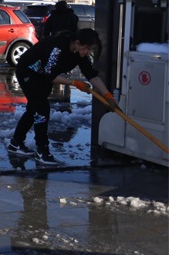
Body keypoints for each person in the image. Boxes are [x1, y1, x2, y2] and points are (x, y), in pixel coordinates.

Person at [7, 28, 118, 165]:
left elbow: (91, 75)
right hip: (28, 72)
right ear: (77, 43)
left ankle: (15, 143)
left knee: (33, 109)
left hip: (43, 77)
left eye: (90, 50)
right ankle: (42, 151)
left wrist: (107, 95)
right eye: (86, 48)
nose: (87, 52)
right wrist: (74, 83)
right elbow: (51, 75)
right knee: (41, 110)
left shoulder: (79, 54)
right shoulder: (58, 47)